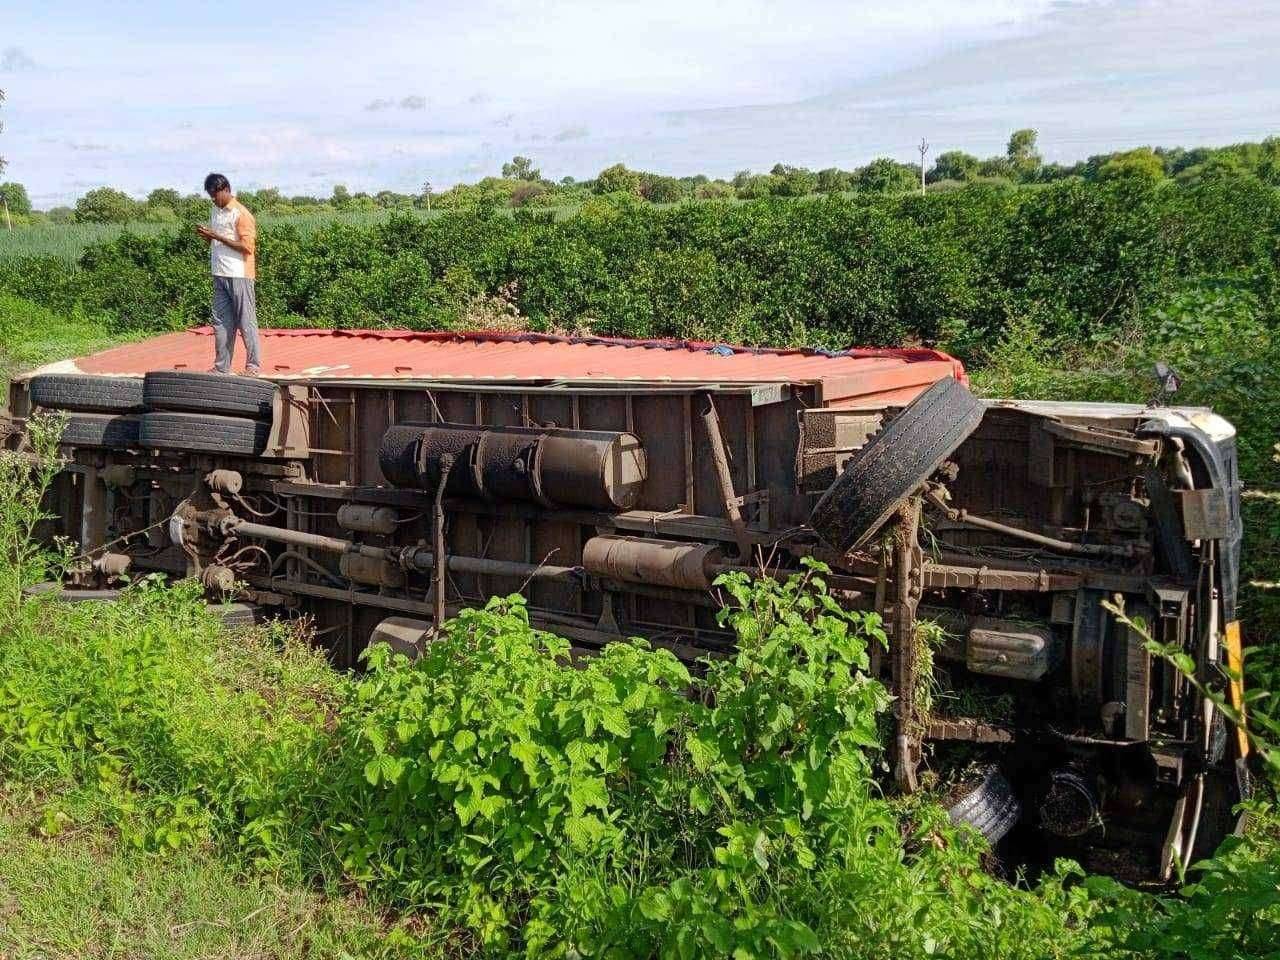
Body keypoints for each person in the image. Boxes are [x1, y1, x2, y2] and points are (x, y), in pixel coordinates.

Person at [196, 173, 261, 375]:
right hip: (219, 273)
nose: (213, 199)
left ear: (225, 190)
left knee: (245, 320)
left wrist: (216, 235)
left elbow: (247, 247)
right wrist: (208, 236)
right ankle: (222, 366)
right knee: (221, 322)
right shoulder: (215, 211)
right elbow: (216, 243)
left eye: (215, 195)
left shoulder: (241, 214)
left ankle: (253, 366)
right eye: (210, 196)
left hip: (239, 274)